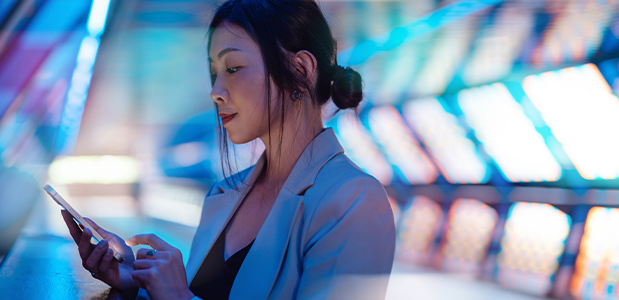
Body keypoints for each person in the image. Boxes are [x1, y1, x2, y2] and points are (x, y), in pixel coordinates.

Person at [62, 0, 396, 299]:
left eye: (233, 68)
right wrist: (137, 281)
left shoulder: (354, 200)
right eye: (214, 73)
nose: (216, 92)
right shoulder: (224, 194)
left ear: (301, 70)